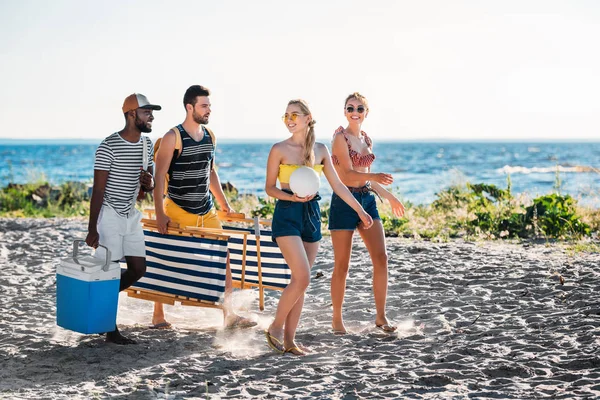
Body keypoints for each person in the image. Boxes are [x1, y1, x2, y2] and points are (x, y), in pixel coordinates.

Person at [264, 99, 374, 355]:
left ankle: (290, 342)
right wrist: (291, 197)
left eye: (294, 114)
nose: (289, 119)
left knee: (300, 283)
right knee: (302, 276)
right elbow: (269, 188)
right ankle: (275, 327)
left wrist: (360, 210)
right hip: (287, 213)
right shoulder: (278, 149)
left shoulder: (321, 150)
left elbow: (337, 185)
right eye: (286, 115)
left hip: (312, 215)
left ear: (307, 117)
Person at [152, 85, 256, 330]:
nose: (209, 110)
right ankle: (158, 314)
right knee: (170, 255)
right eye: (204, 105)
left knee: (224, 257)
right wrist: (159, 213)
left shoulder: (210, 135)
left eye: (209, 105)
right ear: (190, 107)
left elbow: (210, 172)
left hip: (206, 209)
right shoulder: (172, 137)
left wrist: (224, 203)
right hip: (177, 207)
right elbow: (159, 178)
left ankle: (229, 315)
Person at [86, 93, 160, 344]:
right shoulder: (108, 146)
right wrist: (92, 229)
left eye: (151, 112)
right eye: (146, 112)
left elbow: (146, 185)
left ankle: (97, 300)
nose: (151, 117)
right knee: (110, 270)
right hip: (109, 216)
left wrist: (149, 185)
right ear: (131, 114)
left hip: (130, 215)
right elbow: (97, 190)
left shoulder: (146, 144)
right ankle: (110, 328)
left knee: (139, 268)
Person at [329, 92, 406, 335]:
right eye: (350, 107)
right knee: (342, 265)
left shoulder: (366, 140)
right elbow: (347, 177)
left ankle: (381, 317)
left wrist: (391, 196)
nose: (355, 111)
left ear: (366, 113)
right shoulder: (340, 139)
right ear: (344, 111)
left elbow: (368, 181)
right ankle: (337, 319)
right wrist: (372, 176)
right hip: (345, 201)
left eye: (360, 108)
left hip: (368, 199)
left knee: (381, 258)